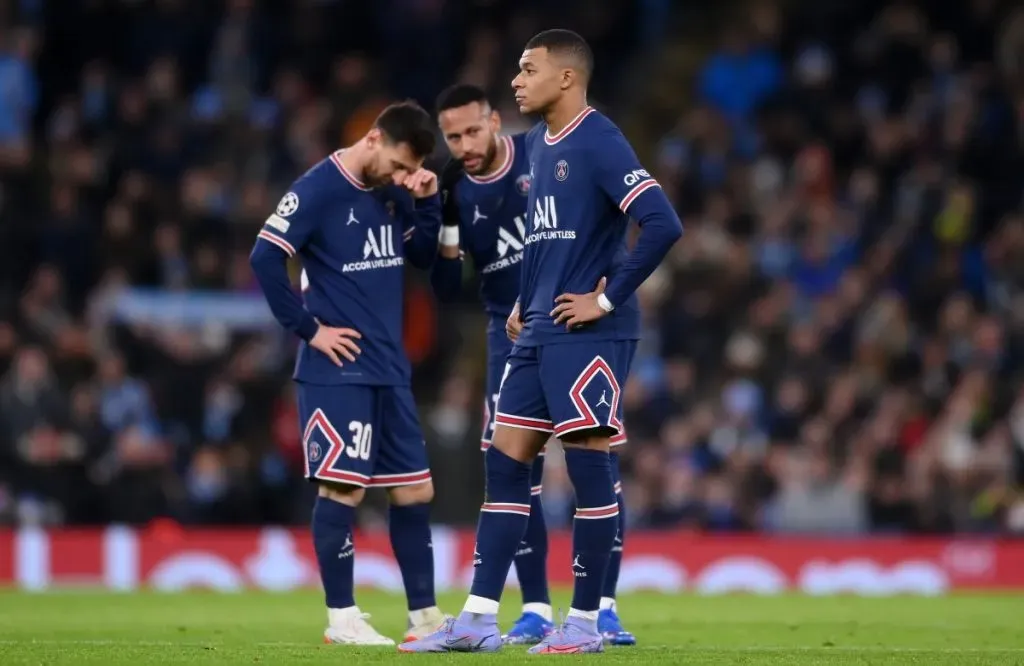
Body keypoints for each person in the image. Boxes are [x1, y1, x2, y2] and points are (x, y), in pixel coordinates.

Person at [402, 30, 683, 655]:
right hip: (536, 329)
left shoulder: (598, 138)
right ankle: (478, 618)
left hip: (589, 331)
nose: (515, 80)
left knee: (589, 474)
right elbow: (544, 238)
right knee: (505, 465)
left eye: (528, 69)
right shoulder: (537, 147)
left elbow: (662, 221)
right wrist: (527, 302)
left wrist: (605, 299)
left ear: (566, 78)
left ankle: (585, 621)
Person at [430, 82, 635, 646]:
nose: (465, 144)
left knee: (594, 456)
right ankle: (536, 609)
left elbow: (605, 221)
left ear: (495, 121)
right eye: (452, 137)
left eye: (472, 130)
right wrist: (445, 220)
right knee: (511, 465)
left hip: (568, 323)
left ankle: (602, 608)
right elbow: (448, 288)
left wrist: (607, 294)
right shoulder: (455, 191)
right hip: (507, 331)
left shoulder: (542, 151)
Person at [249, 101, 448, 646]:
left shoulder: (395, 191)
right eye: (402, 166)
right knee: (342, 491)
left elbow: (424, 259)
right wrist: (309, 330)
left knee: (414, 492)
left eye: (411, 171)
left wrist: (426, 203)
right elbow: (264, 257)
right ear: (374, 139)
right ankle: (341, 618)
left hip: (389, 367)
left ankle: (425, 619)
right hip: (337, 370)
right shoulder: (317, 189)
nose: (405, 177)